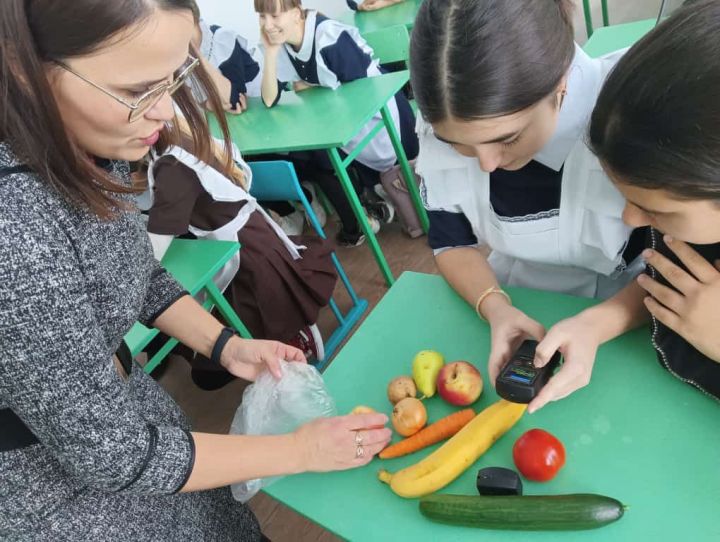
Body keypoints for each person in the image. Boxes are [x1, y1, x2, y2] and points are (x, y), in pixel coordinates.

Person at [0, 1, 391, 539]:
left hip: (141, 426)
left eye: (174, 77)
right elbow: (117, 457)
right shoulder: (16, 231)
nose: (165, 113)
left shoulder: (88, 142)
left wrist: (225, 345)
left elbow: (137, 273)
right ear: (25, 68)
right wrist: (298, 450)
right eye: (139, 91)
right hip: (64, 502)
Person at [410, 0, 644, 384]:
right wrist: (495, 306)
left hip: (633, 306)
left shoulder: (632, 117)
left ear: (562, 83)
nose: (486, 163)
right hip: (519, 293)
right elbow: (452, 243)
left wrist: (597, 325)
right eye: (457, 144)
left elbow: (679, 272)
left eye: (508, 138)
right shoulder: (447, 117)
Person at [527, 0, 720, 413]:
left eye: (658, 211)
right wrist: (595, 324)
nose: (630, 219)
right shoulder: (695, 218)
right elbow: (672, 280)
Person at [137, 127, 336, 380]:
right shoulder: (185, 138)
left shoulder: (172, 168)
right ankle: (292, 328)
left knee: (234, 314)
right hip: (254, 236)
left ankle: (290, 335)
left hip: (247, 253)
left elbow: (153, 248)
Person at [256, 0, 419, 246]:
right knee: (313, 155)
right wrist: (270, 52)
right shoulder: (284, 45)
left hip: (383, 122)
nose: (267, 25)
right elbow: (270, 99)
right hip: (344, 125)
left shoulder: (329, 37)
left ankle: (372, 204)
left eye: (274, 16)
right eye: (261, 17)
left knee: (322, 155)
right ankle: (369, 205)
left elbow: (364, 96)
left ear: (296, 13)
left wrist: (315, 86)